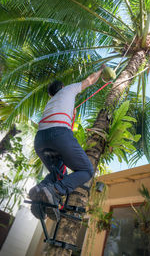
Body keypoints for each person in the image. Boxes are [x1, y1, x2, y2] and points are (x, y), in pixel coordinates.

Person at [29, 65, 105, 220]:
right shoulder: (68, 89)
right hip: (59, 135)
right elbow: (89, 81)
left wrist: (72, 114)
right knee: (87, 170)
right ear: (62, 87)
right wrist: (102, 71)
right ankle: (56, 191)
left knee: (58, 173)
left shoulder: (51, 103)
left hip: (40, 140)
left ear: (51, 95)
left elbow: (66, 120)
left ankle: (39, 196)